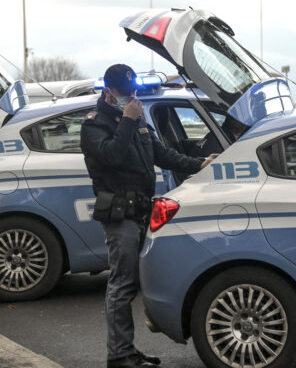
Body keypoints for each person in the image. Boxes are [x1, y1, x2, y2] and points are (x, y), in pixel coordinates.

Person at [80, 64, 217, 368]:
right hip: (119, 213)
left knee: (142, 281)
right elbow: (112, 156)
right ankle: (119, 355)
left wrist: (199, 164)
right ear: (108, 91)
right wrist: (127, 121)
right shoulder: (94, 124)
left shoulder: (139, 119)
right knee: (122, 284)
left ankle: (127, 350)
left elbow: (161, 154)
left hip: (143, 209)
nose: (131, 99)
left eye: (134, 94)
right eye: (124, 94)